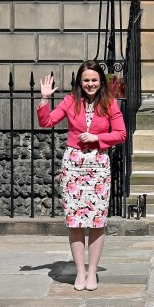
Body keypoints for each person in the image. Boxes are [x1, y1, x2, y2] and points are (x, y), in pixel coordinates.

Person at [38, 61, 127, 292]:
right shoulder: (70, 101)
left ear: (101, 81)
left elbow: (121, 134)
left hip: (98, 164)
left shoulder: (109, 102)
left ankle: (92, 271)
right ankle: (80, 271)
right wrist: (45, 98)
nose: (90, 84)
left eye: (94, 80)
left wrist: (98, 138)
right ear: (80, 81)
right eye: (86, 80)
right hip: (74, 165)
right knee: (74, 220)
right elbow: (46, 122)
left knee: (97, 220)